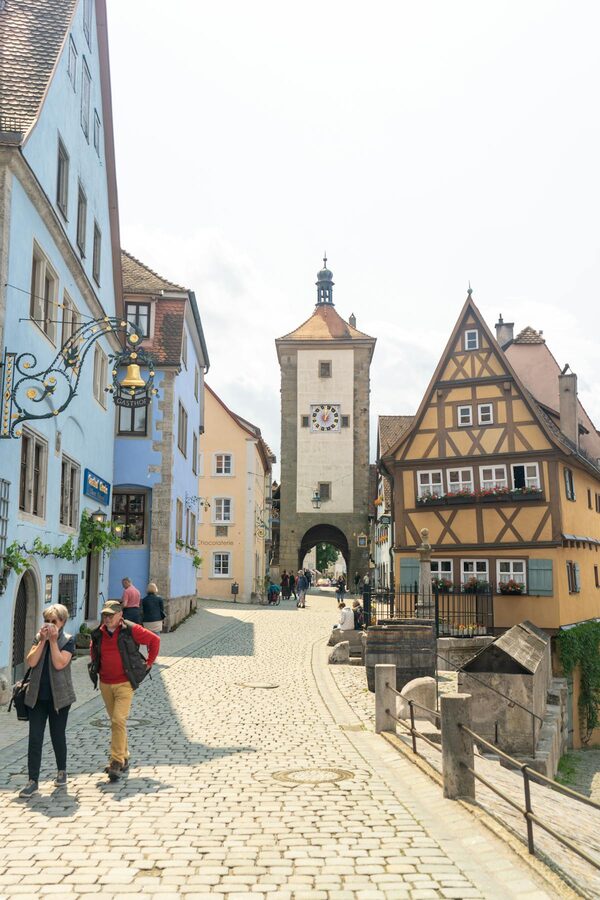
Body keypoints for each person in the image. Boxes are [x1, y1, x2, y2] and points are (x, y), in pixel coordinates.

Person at [90, 600, 160, 781]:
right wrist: (94, 668)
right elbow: (94, 651)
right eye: (105, 615)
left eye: (111, 615)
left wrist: (149, 662)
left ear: (120, 615)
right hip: (106, 683)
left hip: (124, 684)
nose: (107, 618)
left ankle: (116, 761)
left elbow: (154, 640)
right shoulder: (98, 633)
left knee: (118, 719)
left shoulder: (130, 629)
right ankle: (125, 756)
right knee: (117, 723)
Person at [19, 604, 76, 798]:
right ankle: (32, 780)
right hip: (37, 696)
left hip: (60, 697)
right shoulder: (38, 638)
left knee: (57, 735)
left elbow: (59, 663)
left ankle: (61, 770)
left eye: (54, 621)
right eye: (47, 621)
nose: (50, 625)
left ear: (62, 622)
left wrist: (53, 642)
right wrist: (43, 641)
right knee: (35, 738)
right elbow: (31, 661)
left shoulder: (68, 640)